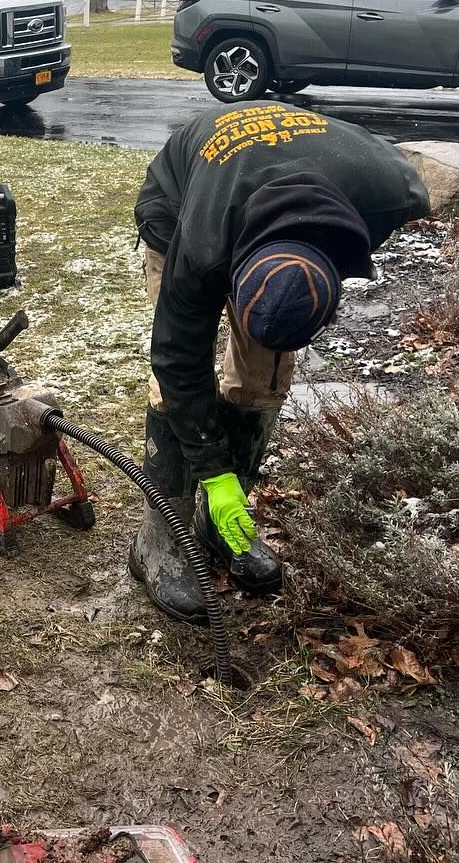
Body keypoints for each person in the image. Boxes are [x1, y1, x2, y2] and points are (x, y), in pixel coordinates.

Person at [130, 100, 431, 620]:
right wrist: (213, 471)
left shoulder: (392, 194)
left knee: (264, 375)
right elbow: (178, 357)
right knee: (178, 386)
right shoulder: (203, 247)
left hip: (297, 175)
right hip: (181, 202)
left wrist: (228, 489)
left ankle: (220, 523)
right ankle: (161, 540)